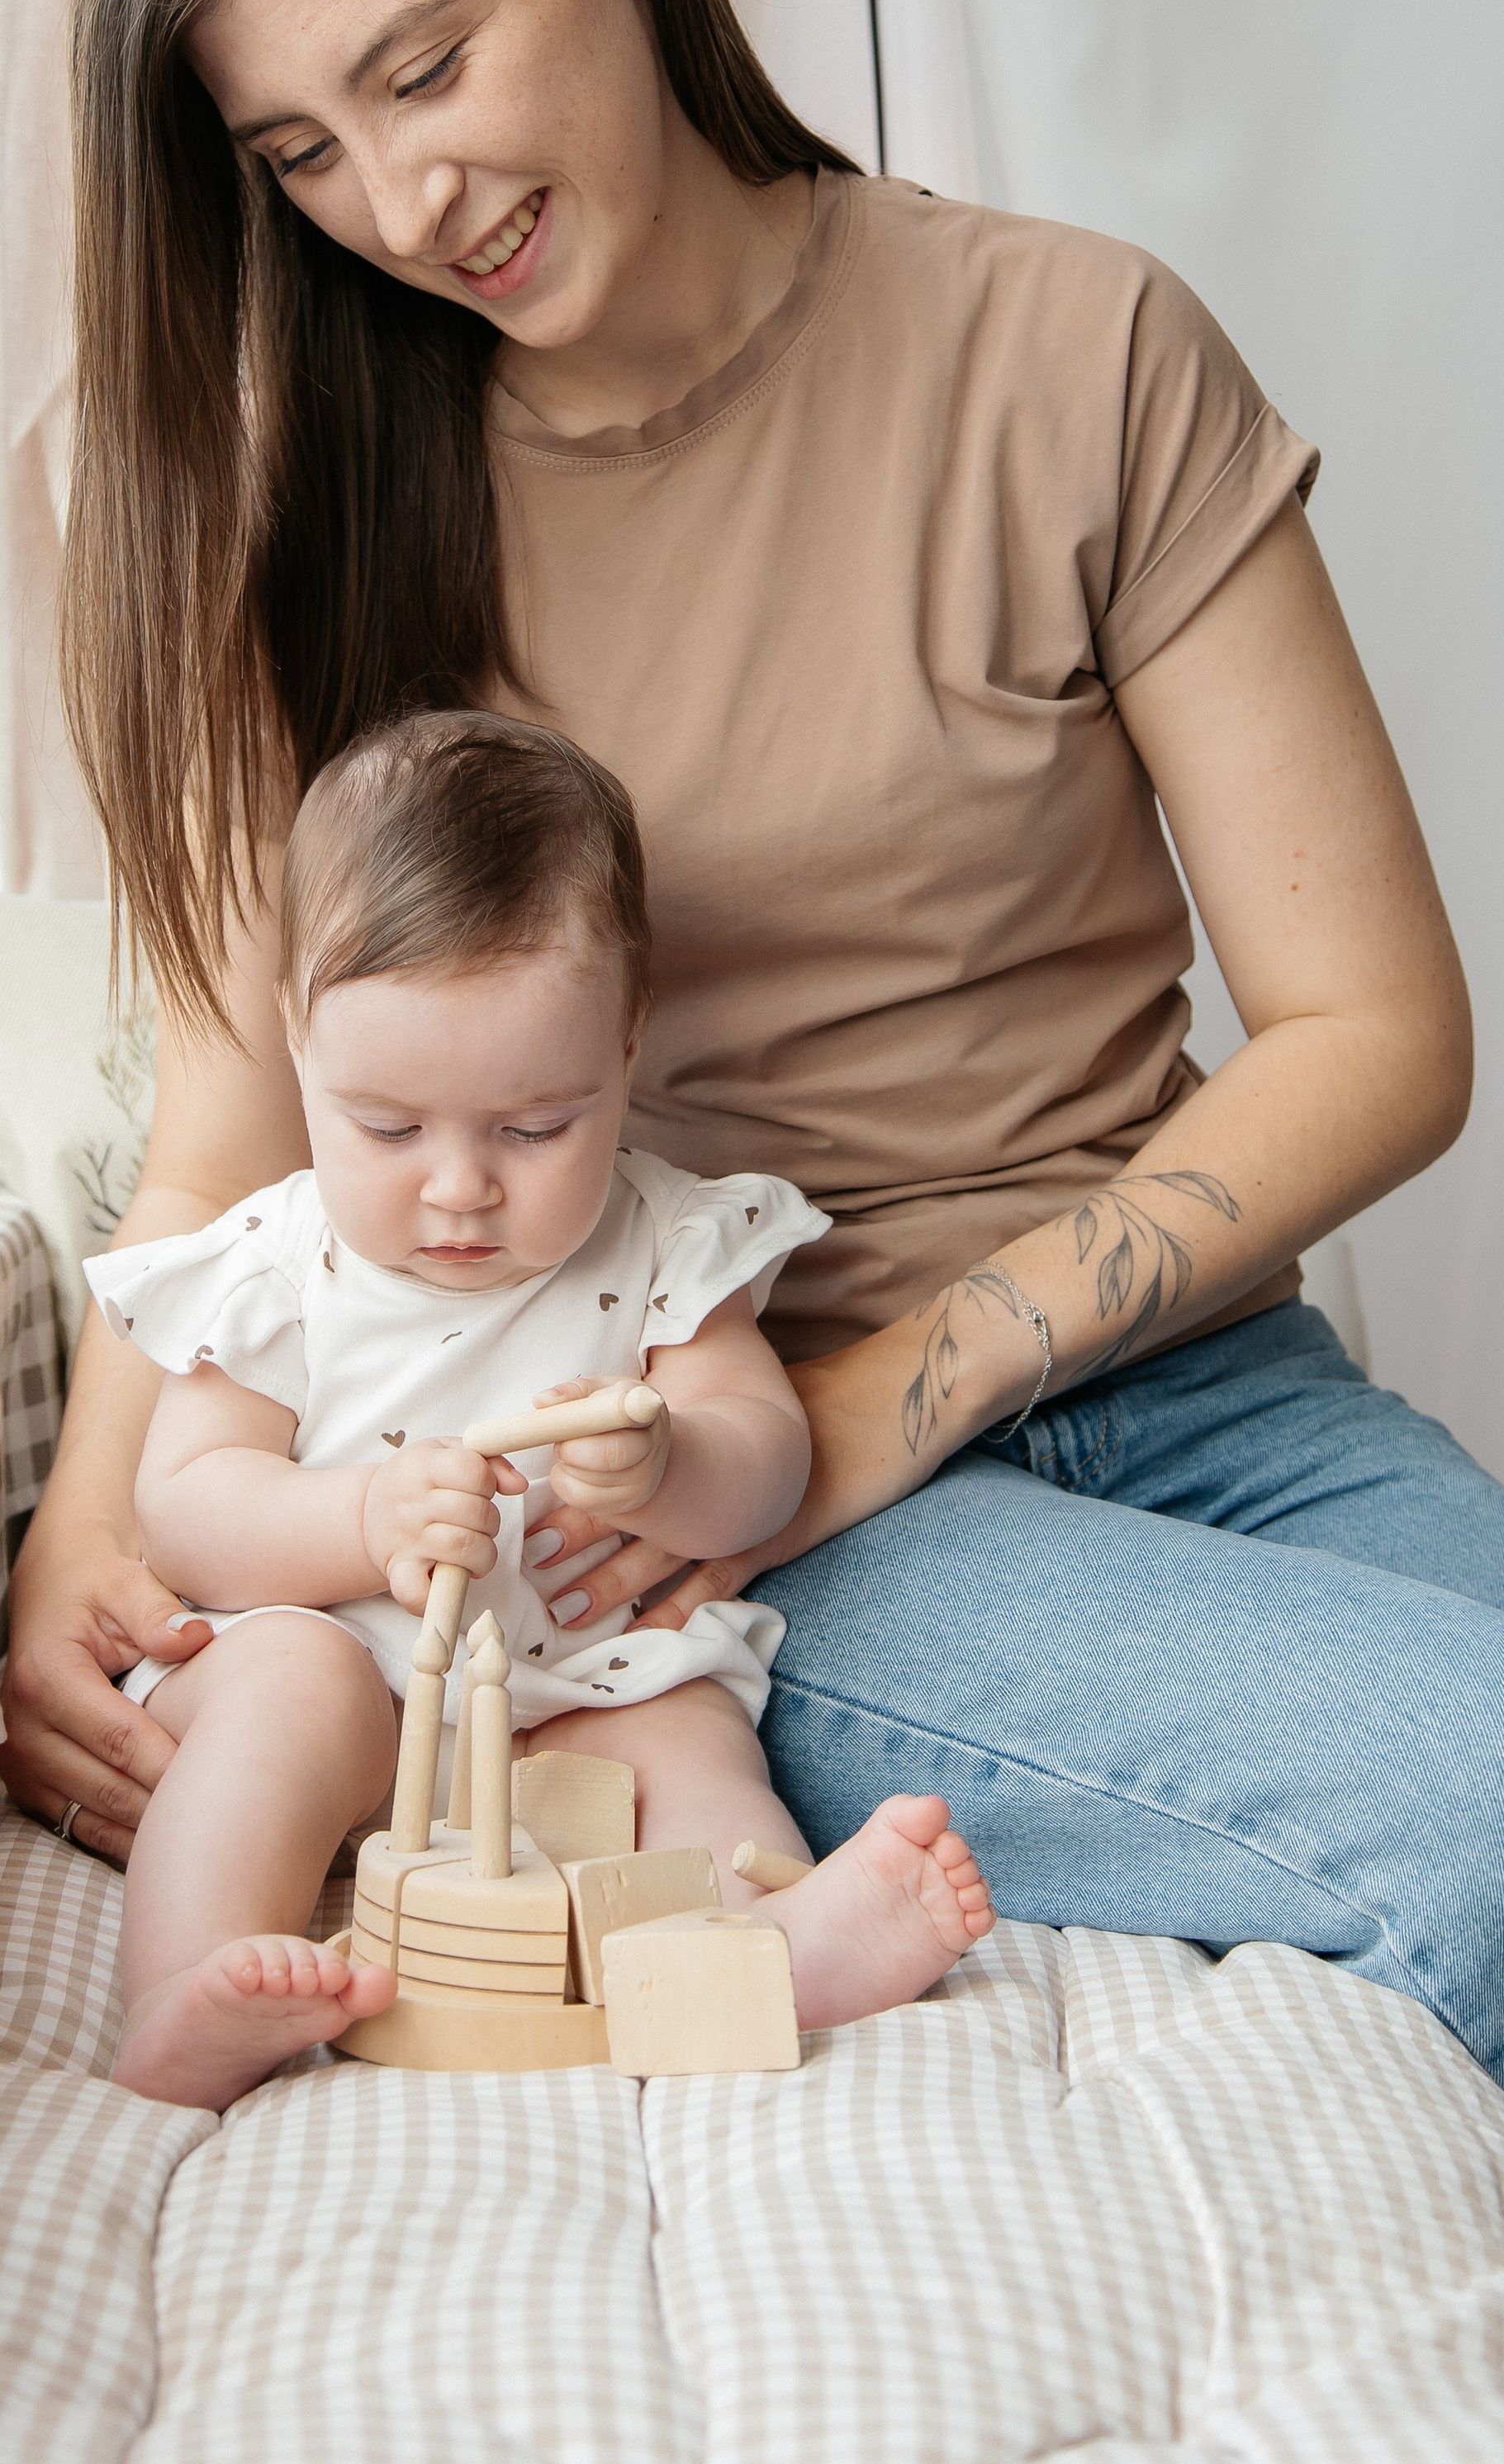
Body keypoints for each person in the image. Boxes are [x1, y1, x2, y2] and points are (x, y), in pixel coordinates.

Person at [2, 0, 1504, 2223]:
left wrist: (932, 1377)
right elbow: (227, 1137)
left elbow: (1374, 1029)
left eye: (424, 63)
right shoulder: (337, 516)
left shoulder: (1076, 348)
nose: (400, 197)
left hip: (1171, 1394)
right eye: (300, 150)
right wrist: (95, 1529)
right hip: (724, 1469)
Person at [87, 711, 994, 2106]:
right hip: (342, 1658)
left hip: (563, 1682)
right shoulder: (272, 1265)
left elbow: (767, 1462)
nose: (459, 1186)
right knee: (286, 1691)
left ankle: (762, 1944)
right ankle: (187, 1990)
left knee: (685, 1723)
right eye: (387, 1127)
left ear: (627, 1048)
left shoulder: (666, 1245)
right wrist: (358, 1516)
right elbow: (188, 1510)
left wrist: (670, 1457)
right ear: (296, 1043)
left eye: (531, 1128)